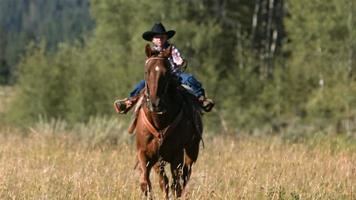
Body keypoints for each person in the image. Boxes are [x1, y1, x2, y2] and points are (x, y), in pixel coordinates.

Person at [114, 22, 214, 114]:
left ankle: (201, 99)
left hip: (174, 75)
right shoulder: (151, 51)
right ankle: (129, 101)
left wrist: (180, 62)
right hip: (156, 76)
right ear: (152, 40)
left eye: (162, 37)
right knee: (141, 85)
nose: (160, 39)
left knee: (189, 79)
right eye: (157, 37)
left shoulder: (171, 48)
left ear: (166, 38)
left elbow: (177, 58)